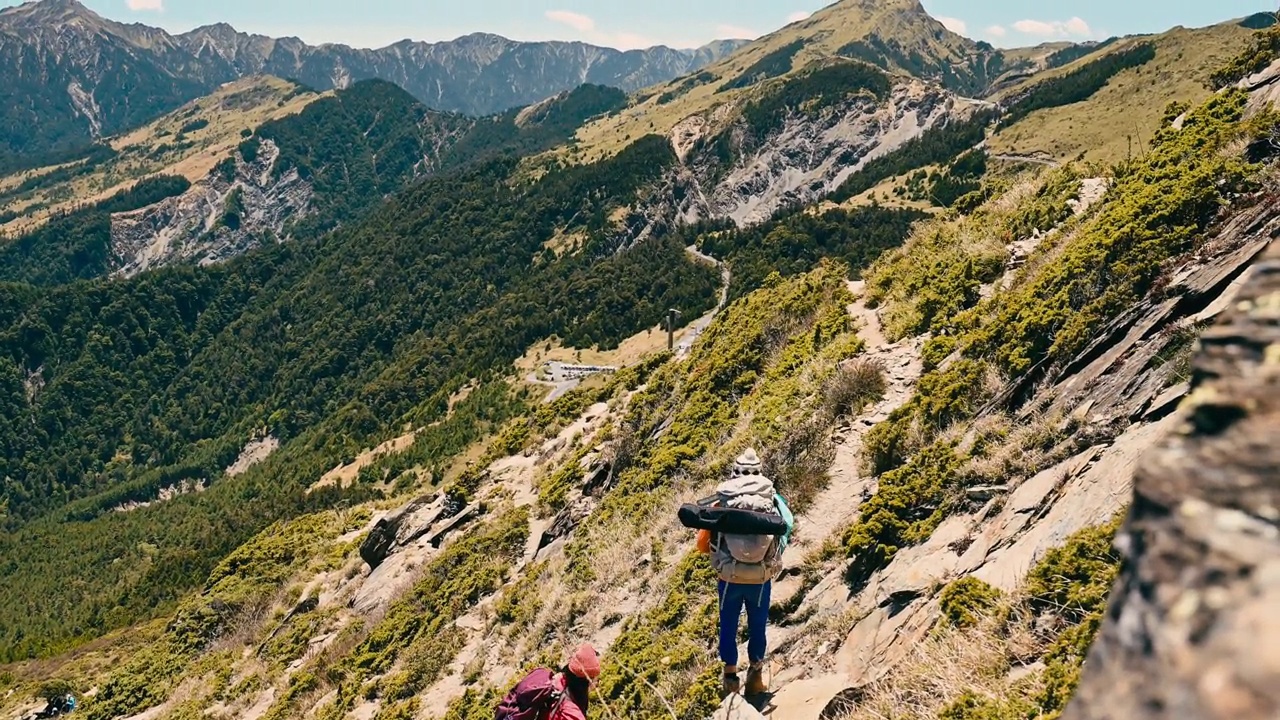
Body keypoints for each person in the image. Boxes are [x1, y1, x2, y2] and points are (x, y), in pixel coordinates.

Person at [696, 448, 794, 698]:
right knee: (758, 625)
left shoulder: (723, 498)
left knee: (728, 623)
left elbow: (702, 543)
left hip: (729, 576)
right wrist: (771, 554)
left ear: (734, 472)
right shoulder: (772, 499)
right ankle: (756, 677)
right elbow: (787, 525)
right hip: (761, 577)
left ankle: (730, 678)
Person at [493, 642, 601, 720]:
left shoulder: (553, 682)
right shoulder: (572, 713)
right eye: (596, 678)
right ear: (587, 680)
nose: (598, 682)